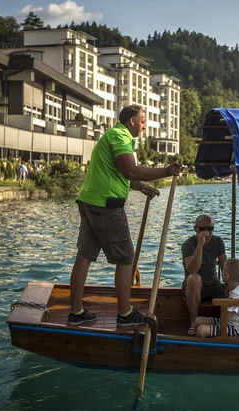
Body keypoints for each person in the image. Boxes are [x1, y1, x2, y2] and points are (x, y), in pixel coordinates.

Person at [68, 104, 182, 326]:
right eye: (142, 121)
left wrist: (141, 187)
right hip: (106, 206)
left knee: (84, 256)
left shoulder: (113, 136)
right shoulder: (120, 136)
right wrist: (166, 172)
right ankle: (125, 315)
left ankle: (76, 313)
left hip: (90, 202)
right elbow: (130, 170)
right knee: (126, 258)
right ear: (131, 120)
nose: (143, 126)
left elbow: (120, 174)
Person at [183, 214, 227, 331]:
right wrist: (200, 245)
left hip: (213, 284)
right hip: (194, 287)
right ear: (195, 229)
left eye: (210, 228)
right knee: (195, 278)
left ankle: (231, 322)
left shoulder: (218, 242)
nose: (207, 232)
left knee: (234, 286)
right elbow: (192, 270)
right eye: (203, 229)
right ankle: (193, 320)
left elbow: (225, 265)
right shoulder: (188, 245)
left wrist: (231, 285)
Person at [193, 258, 239, 338]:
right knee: (198, 320)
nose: (222, 272)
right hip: (229, 323)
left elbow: (226, 313)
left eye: (223, 271)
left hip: (238, 330)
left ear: (227, 276)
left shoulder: (237, 295)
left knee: (202, 330)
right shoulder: (237, 288)